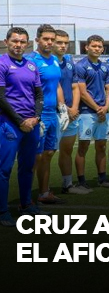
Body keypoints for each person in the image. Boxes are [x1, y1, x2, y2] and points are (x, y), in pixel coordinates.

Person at [0, 27, 47, 226]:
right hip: (10, 123)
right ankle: (2, 211)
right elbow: (0, 97)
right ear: (6, 41)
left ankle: (26, 204)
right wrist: (20, 121)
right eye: (15, 41)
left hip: (32, 123)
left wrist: (35, 118)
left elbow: (38, 95)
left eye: (22, 42)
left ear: (28, 43)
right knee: (4, 169)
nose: (18, 45)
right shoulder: (1, 63)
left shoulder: (31, 66)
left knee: (27, 167)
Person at [25, 25, 66, 203]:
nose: (49, 42)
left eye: (52, 39)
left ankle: (44, 193)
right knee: (35, 156)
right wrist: (33, 115)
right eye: (46, 39)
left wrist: (63, 108)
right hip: (37, 116)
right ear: (37, 40)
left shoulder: (55, 60)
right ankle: (26, 198)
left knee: (48, 153)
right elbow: (25, 89)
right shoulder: (31, 60)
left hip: (52, 114)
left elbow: (56, 85)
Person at [73, 35, 109, 190]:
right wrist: (98, 108)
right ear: (87, 47)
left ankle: (102, 179)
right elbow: (82, 92)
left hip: (103, 112)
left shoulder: (105, 67)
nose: (97, 49)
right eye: (94, 46)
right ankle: (82, 181)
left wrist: (105, 107)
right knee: (83, 146)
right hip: (86, 113)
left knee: (102, 146)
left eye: (99, 46)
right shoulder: (81, 66)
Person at [53, 30, 82, 194]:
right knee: (45, 154)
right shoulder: (48, 63)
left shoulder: (70, 62)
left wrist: (74, 108)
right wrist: (66, 109)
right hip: (55, 113)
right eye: (59, 42)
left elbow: (75, 86)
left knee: (67, 150)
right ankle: (40, 190)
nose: (63, 46)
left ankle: (67, 184)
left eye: (66, 43)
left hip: (72, 114)